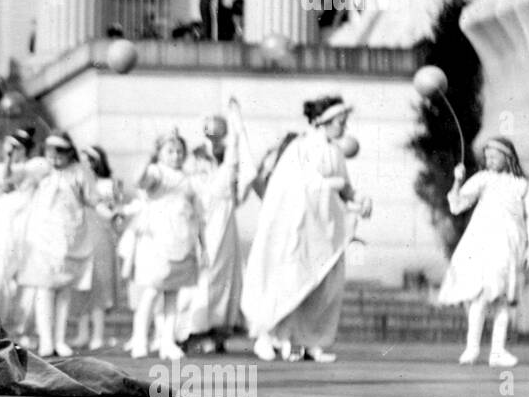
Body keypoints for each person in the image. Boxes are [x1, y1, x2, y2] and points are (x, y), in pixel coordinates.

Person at [241, 95, 372, 363]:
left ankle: (310, 342)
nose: (343, 127)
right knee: (288, 282)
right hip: (298, 229)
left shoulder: (335, 151)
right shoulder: (300, 147)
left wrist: (359, 200)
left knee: (323, 288)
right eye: (339, 122)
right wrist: (328, 184)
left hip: (326, 231)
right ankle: (267, 337)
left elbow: (346, 188)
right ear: (323, 121)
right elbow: (290, 186)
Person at [437, 137, 529, 368]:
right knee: (481, 296)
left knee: (504, 298)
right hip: (484, 243)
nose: (490, 160)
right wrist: (457, 180)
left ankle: (498, 351)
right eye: (488, 156)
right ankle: (472, 348)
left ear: (508, 157)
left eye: (495, 156)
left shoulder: (521, 184)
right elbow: (457, 205)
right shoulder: (483, 179)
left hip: (511, 244)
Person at [177, 101, 253, 353]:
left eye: (206, 161)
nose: (201, 165)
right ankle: (190, 333)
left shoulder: (223, 180)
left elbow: (233, 154)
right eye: (199, 161)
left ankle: (217, 334)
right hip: (202, 238)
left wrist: (234, 122)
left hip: (224, 241)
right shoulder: (192, 183)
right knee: (199, 285)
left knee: (223, 285)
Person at [14, 133, 95, 358]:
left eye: (61, 151)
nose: (55, 156)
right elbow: (19, 178)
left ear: (70, 152)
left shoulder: (78, 172)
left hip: (69, 237)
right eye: (51, 151)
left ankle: (60, 339)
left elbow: (92, 197)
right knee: (44, 289)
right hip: (43, 238)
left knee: (63, 290)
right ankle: (46, 340)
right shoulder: (41, 169)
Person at [128, 129, 204, 362]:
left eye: (180, 151)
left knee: (173, 294)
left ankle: (167, 341)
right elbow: (140, 180)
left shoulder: (188, 180)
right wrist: (146, 162)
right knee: (151, 292)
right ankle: (140, 338)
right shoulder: (156, 173)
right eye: (170, 151)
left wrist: (203, 246)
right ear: (160, 153)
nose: (175, 156)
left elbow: (198, 216)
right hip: (158, 240)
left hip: (182, 240)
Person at [0, 127, 39, 343]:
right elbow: (3, 180)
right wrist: (7, 159)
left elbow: (14, 176)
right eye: (9, 146)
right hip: (1, 231)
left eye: (17, 147)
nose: (13, 151)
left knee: (23, 282)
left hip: (25, 231)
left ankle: (23, 329)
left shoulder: (34, 166)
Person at [71, 145, 122, 352]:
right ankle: (83, 333)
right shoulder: (77, 181)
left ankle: (98, 335)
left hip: (101, 237)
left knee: (100, 286)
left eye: (90, 161)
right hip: (82, 235)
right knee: (82, 286)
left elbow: (114, 210)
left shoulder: (109, 183)